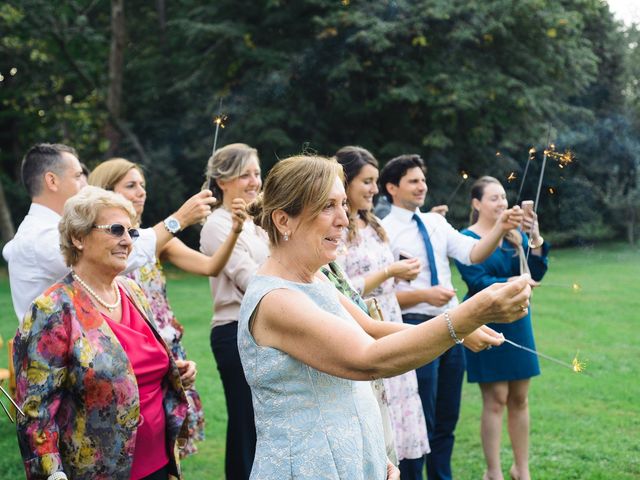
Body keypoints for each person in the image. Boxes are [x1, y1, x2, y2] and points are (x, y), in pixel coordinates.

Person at [238, 154, 532, 479]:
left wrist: (371, 453)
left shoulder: (315, 278)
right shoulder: (277, 300)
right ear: (283, 221)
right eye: (327, 206)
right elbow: (366, 359)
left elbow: (371, 329)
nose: (344, 219)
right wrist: (469, 314)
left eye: (341, 204)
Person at [13, 186, 193, 480]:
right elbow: (35, 412)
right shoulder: (53, 308)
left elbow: (135, 365)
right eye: (116, 230)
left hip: (159, 461)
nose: (127, 241)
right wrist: (52, 474)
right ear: (78, 237)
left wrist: (174, 370)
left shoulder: (132, 291)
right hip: (98, 472)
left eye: (132, 233)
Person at [88, 158, 247, 457]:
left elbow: (211, 267)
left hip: (167, 350)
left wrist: (236, 231)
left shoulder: (156, 241)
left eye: (143, 186)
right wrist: (180, 218)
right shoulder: (104, 246)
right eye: (131, 186)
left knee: (170, 446)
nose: (141, 193)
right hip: (127, 352)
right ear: (107, 192)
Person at [379, 154, 524, 480]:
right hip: (411, 325)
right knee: (422, 417)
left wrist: (500, 226)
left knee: (447, 417)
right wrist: (423, 295)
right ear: (391, 187)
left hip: (454, 324)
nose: (422, 186)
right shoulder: (384, 231)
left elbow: (472, 254)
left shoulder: (435, 223)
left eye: (423, 180)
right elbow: (378, 296)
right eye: (413, 181)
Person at [2, 143, 215, 324]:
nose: (85, 184)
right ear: (52, 181)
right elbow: (115, 255)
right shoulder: (40, 237)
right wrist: (179, 219)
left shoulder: (41, 232)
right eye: (77, 176)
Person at [334, 146, 431, 470]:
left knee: (402, 406)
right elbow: (343, 288)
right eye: (367, 181)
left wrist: (401, 272)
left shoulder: (374, 224)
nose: (375, 189)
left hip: (390, 318)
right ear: (345, 183)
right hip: (362, 327)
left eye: (375, 181)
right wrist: (389, 272)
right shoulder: (336, 229)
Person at [455, 177, 549, 480]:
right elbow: (476, 280)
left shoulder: (515, 236)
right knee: (495, 398)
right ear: (477, 203)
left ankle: (521, 468)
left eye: (503, 197)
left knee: (520, 398)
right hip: (484, 321)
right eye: (493, 198)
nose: (501, 202)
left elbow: (535, 273)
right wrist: (507, 283)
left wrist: (534, 237)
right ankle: (493, 471)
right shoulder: (467, 238)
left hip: (519, 321)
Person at [200, 143, 269, 480]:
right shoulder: (217, 224)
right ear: (222, 181)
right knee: (245, 423)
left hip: (268, 328)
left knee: (267, 423)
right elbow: (249, 279)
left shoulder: (260, 222)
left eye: (257, 173)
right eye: (245, 174)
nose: (254, 181)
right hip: (235, 329)